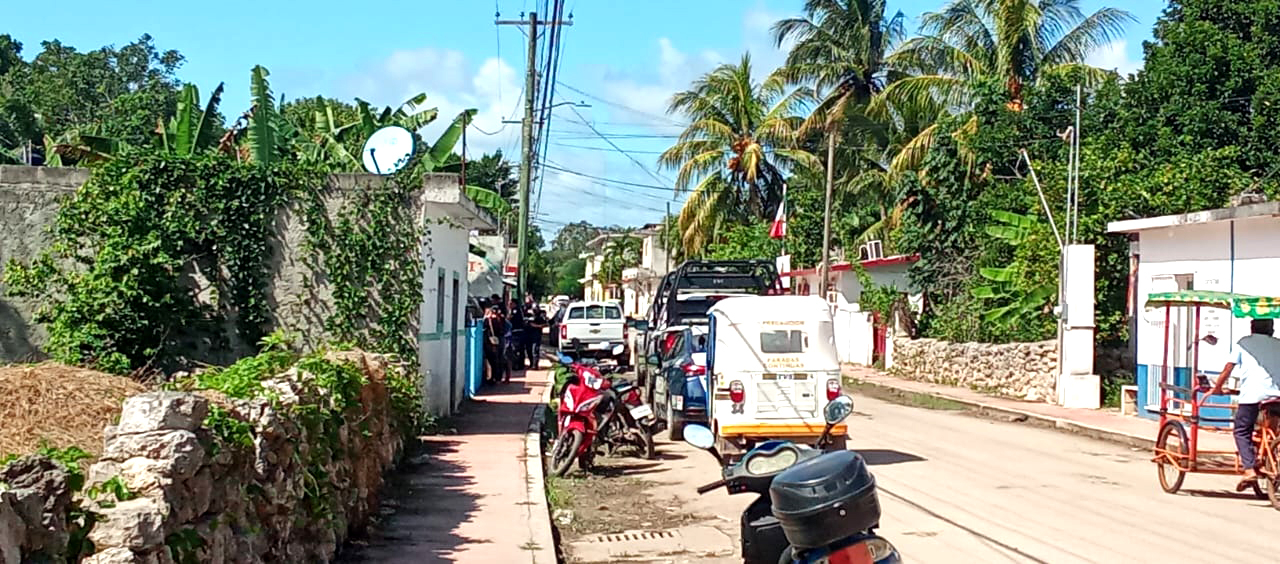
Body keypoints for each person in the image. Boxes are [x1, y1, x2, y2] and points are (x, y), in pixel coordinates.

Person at [1207, 318, 1280, 490]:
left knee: (1241, 430)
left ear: (1252, 328)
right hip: (1277, 395)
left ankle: (1249, 469)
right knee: (1272, 427)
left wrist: (1217, 388)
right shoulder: (1278, 344)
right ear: (1271, 329)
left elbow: (1228, 369)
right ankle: (1268, 454)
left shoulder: (1244, 343)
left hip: (1253, 396)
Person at [482, 305, 507, 385]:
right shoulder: (501, 318)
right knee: (499, 359)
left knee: (493, 360)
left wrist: (486, 317)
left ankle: (494, 377)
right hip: (501, 340)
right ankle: (498, 377)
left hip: (492, 342)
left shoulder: (490, 320)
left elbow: (484, 327)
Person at [525, 298, 548, 368]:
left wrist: (537, 326)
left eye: (536, 309)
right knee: (528, 350)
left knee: (535, 350)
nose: (535, 310)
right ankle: (531, 363)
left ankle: (535, 365)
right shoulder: (528, 313)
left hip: (536, 334)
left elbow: (546, 324)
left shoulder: (541, 315)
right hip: (528, 334)